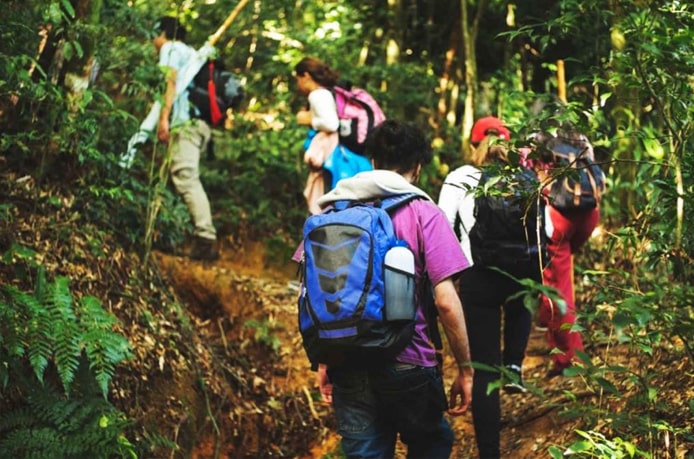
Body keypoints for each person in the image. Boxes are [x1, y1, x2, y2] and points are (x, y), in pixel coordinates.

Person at [310, 120, 474, 458]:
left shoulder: (332, 211)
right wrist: (466, 369)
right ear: (416, 166)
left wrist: (324, 361)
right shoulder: (423, 212)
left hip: (347, 360)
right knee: (432, 445)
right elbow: (445, 301)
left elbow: (317, 293)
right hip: (409, 361)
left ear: (372, 161)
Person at [438, 117, 542, 458]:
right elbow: (547, 233)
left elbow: (442, 230)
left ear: (473, 144)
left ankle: (490, 452)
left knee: (483, 371)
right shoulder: (528, 180)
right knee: (518, 302)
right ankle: (513, 364)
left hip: (477, 279)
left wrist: (450, 277)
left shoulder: (460, 178)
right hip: (520, 276)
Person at [533, 127, 600, 378]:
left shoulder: (540, 141)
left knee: (557, 292)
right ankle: (561, 345)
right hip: (589, 213)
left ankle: (568, 359)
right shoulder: (579, 137)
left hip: (560, 217)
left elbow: (533, 179)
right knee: (561, 286)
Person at [152, 16, 219, 260]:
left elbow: (170, 84)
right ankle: (171, 236)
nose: (153, 42)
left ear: (161, 33)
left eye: (154, 35)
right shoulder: (192, 53)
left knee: (185, 177)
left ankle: (205, 239)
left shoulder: (171, 49)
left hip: (185, 123)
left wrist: (163, 119)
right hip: (200, 125)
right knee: (178, 177)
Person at [293, 56, 371, 214]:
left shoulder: (318, 95)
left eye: (298, 79)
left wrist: (308, 119)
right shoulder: (329, 93)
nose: (298, 85)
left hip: (334, 158)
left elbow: (331, 124)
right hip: (345, 156)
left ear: (306, 76)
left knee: (332, 206)